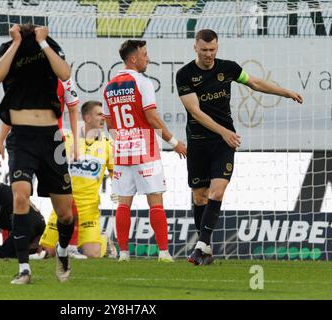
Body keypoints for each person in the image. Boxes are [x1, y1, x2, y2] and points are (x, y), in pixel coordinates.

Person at [176, 29, 303, 266]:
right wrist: (224, 131)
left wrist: (285, 92)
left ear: (217, 47)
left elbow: (254, 82)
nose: (209, 54)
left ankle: (200, 247)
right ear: (195, 47)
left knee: (217, 192)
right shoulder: (184, 75)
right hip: (198, 142)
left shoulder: (228, 68)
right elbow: (195, 111)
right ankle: (206, 248)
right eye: (204, 50)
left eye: (212, 49)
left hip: (225, 143)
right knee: (200, 195)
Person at [0, 23, 77, 284]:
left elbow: (65, 73)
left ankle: (62, 251)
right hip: (22, 138)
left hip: (51, 138)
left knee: (65, 212)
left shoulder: (50, 47)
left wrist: (43, 43)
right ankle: (24, 268)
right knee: (20, 196)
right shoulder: (8, 47)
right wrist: (16, 43)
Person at [102, 40, 187, 262]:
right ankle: (163, 253)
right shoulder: (143, 82)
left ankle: (123, 254)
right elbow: (152, 117)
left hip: (121, 149)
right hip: (145, 149)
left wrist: (122, 139)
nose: (148, 58)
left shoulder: (109, 86)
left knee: (124, 202)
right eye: (145, 54)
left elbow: (109, 123)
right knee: (155, 200)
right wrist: (174, 142)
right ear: (133, 59)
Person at [39, 100, 114, 259]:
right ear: (87, 118)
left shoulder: (107, 145)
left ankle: (104, 242)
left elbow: (116, 174)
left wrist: (118, 190)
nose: (104, 118)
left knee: (93, 255)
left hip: (88, 208)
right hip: (63, 204)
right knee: (47, 253)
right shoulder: (66, 138)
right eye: (100, 114)